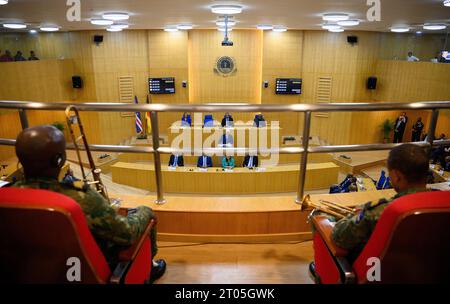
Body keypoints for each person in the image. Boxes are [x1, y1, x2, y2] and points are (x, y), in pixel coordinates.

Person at [12, 125, 166, 281]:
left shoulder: (9, 194)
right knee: (144, 213)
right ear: (59, 159)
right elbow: (126, 234)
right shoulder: (79, 198)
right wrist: (145, 211)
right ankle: (149, 268)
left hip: (29, 270)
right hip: (84, 271)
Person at [331, 144, 429, 260]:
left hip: (379, 273)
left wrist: (354, 216)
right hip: (427, 271)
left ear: (397, 176)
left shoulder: (380, 211)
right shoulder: (442, 203)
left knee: (322, 218)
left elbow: (340, 237)